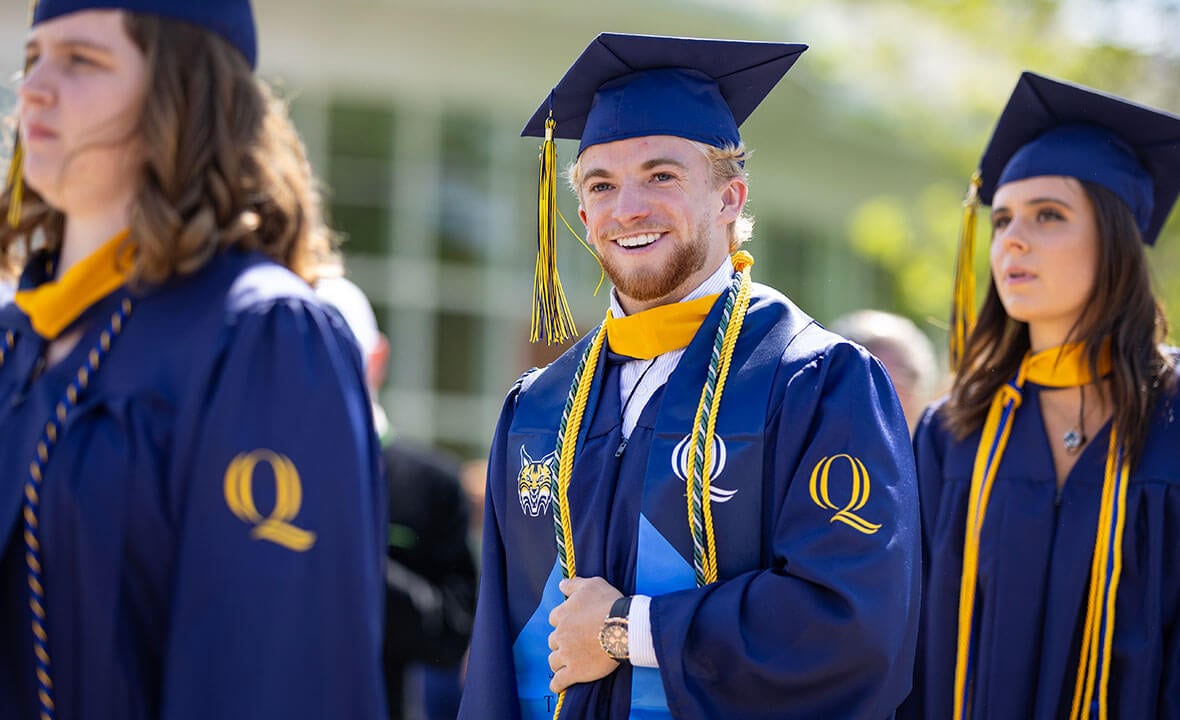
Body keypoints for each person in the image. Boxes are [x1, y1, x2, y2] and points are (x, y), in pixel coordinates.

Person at [459, 33, 921, 720]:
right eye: (602, 186)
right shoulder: (538, 410)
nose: (629, 208)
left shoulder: (816, 383)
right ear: (583, 218)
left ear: (730, 197)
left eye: (661, 176)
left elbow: (850, 624)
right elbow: (498, 663)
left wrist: (626, 629)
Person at [0, 3, 386, 719]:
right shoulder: (14, 341)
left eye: (82, 60)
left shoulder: (260, 341)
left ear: (184, 92)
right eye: (33, 60)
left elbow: (275, 685)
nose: (34, 89)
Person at [904, 72, 1180, 719]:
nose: (1012, 240)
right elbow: (904, 656)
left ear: (1116, 238)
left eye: (1048, 215)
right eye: (1001, 220)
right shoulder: (954, 433)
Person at [316, 276, 477, 720]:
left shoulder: (432, 485)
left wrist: (348, 556)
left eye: (339, 357)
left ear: (377, 358)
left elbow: (453, 632)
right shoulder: (254, 478)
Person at [831, 309, 939, 431]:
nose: (884, 396)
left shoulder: (933, 445)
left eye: (901, 381)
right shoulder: (814, 444)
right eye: (869, 378)